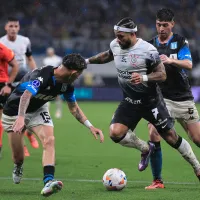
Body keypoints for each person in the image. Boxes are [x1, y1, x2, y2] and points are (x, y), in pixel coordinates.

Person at [85, 17, 200, 180]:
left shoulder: (148, 50)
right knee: (115, 133)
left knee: (170, 137)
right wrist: (87, 61)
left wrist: (144, 78)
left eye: (121, 36)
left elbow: (162, 75)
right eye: (116, 35)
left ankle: (197, 166)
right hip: (130, 101)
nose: (117, 39)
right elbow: (107, 55)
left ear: (133, 34)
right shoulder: (115, 44)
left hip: (151, 101)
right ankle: (145, 149)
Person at [2, 53, 104, 197]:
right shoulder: (44, 75)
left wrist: (90, 126)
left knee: (49, 140)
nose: (79, 76)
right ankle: (18, 166)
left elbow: (73, 108)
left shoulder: (67, 85)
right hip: (14, 111)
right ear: (74, 72)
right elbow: (26, 95)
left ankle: (48, 182)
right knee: (18, 158)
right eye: (80, 73)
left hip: (38, 109)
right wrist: (20, 118)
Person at [145, 8, 200, 189]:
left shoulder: (180, 41)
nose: (161, 28)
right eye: (159, 24)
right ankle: (157, 180)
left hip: (183, 98)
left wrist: (170, 60)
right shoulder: (149, 45)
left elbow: (189, 64)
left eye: (165, 25)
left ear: (172, 25)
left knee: (197, 137)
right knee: (153, 132)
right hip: (162, 99)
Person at [0, 16, 39, 156]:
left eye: (16, 26)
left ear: (19, 28)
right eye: (10, 26)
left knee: (27, 110)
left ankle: (29, 134)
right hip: (6, 82)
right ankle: (21, 144)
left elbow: (29, 58)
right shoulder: (1, 43)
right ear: (6, 27)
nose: (13, 29)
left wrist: (36, 74)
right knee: (11, 114)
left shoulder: (25, 41)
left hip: (23, 79)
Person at [0, 42, 18, 157]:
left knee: (4, 118)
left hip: (1, 85)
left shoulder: (2, 49)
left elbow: (15, 65)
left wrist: (8, 85)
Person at [43, 47, 63, 119]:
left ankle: (58, 111)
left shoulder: (58, 59)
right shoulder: (45, 60)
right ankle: (47, 112)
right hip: (48, 79)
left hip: (57, 78)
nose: (49, 53)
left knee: (57, 96)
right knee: (46, 95)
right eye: (48, 52)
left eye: (50, 51)